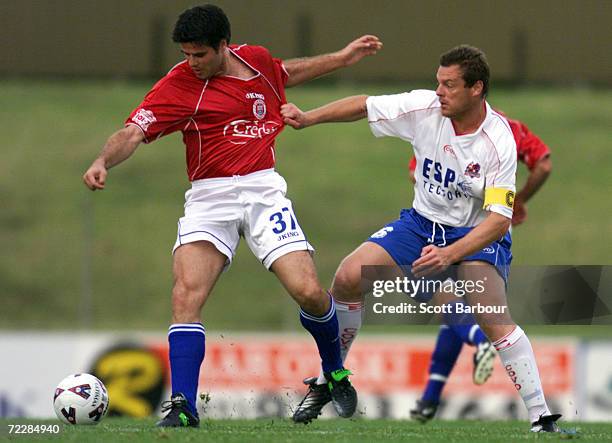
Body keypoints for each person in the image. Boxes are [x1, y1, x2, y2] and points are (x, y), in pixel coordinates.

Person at [82, 4, 382, 427]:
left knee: (310, 292)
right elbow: (133, 131)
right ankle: (184, 406)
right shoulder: (178, 86)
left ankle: (334, 372)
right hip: (210, 198)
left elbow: (286, 73)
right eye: (186, 54)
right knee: (186, 296)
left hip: (264, 191)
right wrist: (102, 161)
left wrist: (342, 58)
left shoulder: (255, 60)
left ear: (223, 46)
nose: (191, 63)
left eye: (199, 54)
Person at [281, 45, 561, 432]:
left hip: (477, 233)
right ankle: (332, 376)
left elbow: (499, 219)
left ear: (476, 88)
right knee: (348, 277)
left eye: (449, 84)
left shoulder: (498, 141)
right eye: (438, 82)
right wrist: (308, 118)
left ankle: (541, 418)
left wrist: (449, 255)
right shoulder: (424, 108)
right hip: (421, 224)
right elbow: (365, 105)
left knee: (491, 315)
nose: (440, 91)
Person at [407, 116, 552, 422]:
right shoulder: (512, 128)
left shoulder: (443, 125)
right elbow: (543, 164)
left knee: (444, 298)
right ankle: (430, 399)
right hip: (493, 229)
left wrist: (448, 199)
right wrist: (519, 200)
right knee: (463, 305)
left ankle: (477, 341)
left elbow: (415, 172)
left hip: (451, 230)